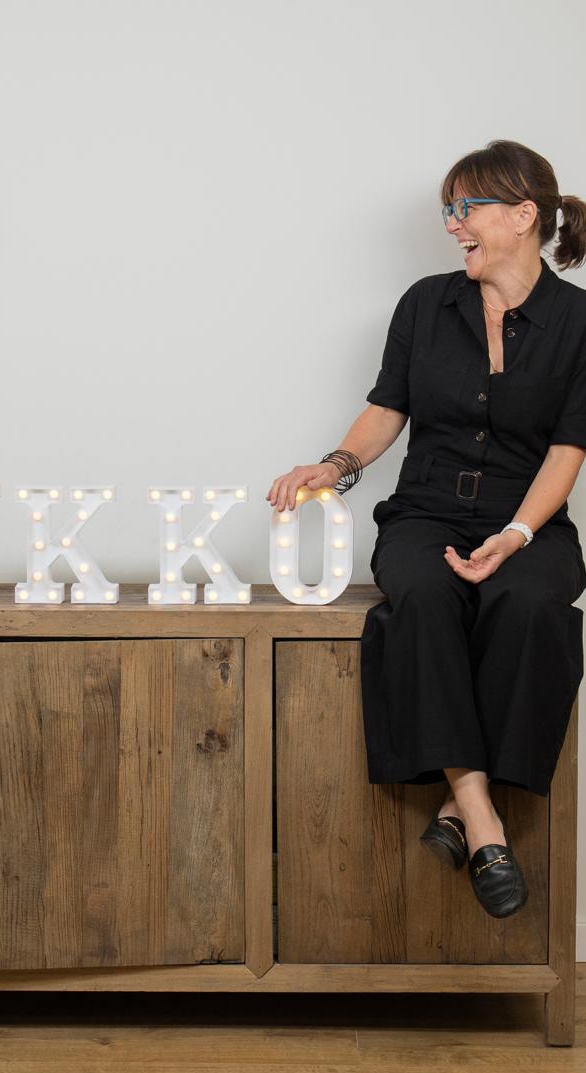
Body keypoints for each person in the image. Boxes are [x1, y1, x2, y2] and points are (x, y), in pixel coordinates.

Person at [268, 140, 586, 921]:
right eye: (448, 210)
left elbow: (567, 450)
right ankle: (479, 815)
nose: (451, 225)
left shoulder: (580, 321)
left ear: (523, 215)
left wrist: (516, 534)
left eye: (465, 208)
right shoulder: (423, 305)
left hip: (528, 517)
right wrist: (332, 466)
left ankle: (452, 806)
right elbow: (386, 410)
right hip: (425, 512)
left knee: (532, 604)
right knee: (420, 595)